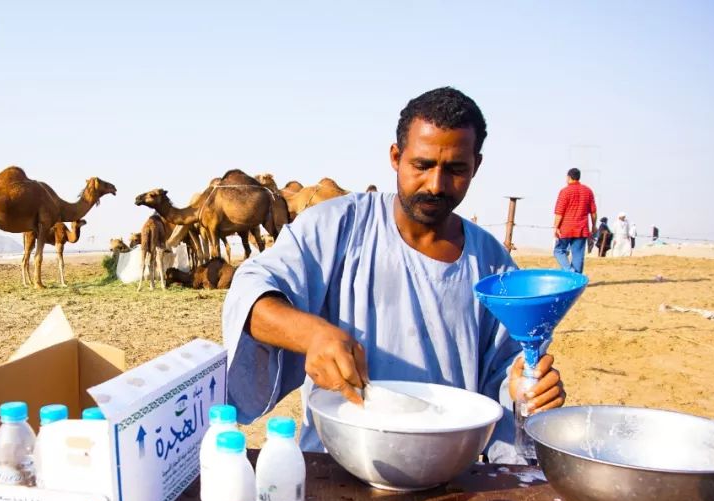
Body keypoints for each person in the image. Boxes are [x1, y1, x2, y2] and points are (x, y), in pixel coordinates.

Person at [222, 87, 566, 464]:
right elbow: (251, 294)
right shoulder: (336, 227)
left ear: (476, 166)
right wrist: (312, 335)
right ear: (395, 157)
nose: (436, 185)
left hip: (446, 471)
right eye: (422, 165)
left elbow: (506, 374)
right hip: (335, 463)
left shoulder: (493, 267)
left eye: (455, 170)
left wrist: (523, 391)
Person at [552, 168, 596, 273]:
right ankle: (576, 279)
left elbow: (559, 212)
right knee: (578, 255)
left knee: (558, 250)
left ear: (569, 177)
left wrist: (555, 227)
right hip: (581, 229)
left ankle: (569, 271)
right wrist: (594, 226)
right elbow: (593, 212)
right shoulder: (588, 191)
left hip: (566, 228)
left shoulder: (565, 191)